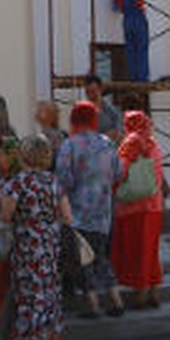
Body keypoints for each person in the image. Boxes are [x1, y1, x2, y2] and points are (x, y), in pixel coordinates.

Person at [0, 133, 72, 340]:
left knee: (33, 300)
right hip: (51, 244)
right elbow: (68, 216)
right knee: (52, 299)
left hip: (28, 246)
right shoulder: (54, 181)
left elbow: (6, 216)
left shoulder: (18, 183)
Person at [55, 101, 125, 318]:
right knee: (102, 257)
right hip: (103, 212)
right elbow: (119, 174)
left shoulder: (70, 145)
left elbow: (62, 180)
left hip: (78, 213)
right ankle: (117, 302)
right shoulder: (107, 144)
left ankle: (93, 307)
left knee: (83, 259)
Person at [111, 110, 165, 309]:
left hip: (135, 207)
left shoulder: (131, 142)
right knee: (151, 252)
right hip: (155, 206)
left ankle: (141, 295)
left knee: (137, 252)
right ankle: (154, 293)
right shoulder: (154, 143)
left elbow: (121, 171)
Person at [114, 0, 156, 83]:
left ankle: (133, 77)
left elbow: (117, 7)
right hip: (138, 19)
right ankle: (142, 78)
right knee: (141, 49)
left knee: (130, 50)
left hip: (127, 20)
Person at [83, 75, 123, 142]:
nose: (90, 96)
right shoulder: (82, 112)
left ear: (101, 89)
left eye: (93, 92)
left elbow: (119, 133)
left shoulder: (112, 110)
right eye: (87, 92)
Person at [34, 100, 66, 166]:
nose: (36, 113)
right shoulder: (42, 134)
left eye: (40, 110)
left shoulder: (57, 135)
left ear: (51, 115)